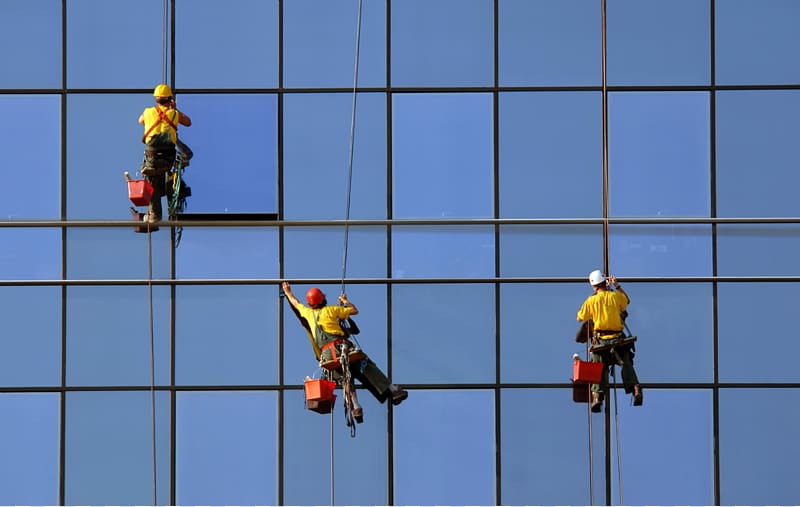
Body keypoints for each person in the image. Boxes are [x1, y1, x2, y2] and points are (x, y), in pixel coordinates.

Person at [281, 281, 408, 424]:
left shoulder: (308, 313)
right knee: (366, 365)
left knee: (346, 378)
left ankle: (356, 406)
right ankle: (393, 390)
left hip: (328, 356)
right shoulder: (331, 310)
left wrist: (288, 292)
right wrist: (345, 301)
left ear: (311, 303)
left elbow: (296, 303)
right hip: (342, 348)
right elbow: (354, 310)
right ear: (322, 299)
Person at [577, 270, 643, 412]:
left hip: (602, 341)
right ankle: (636, 388)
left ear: (594, 286)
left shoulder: (591, 300)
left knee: (597, 366)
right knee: (625, 362)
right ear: (604, 282)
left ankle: (597, 397)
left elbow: (580, 317)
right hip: (618, 339)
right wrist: (616, 285)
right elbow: (627, 301)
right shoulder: (615, 296)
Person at [137, 84, 192, 223]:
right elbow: (188, 122)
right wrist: (173, 108)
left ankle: (154, 214)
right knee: (170, 176)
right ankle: (173, 211)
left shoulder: (148, 111)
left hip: (152, 157)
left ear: (156, 99)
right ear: (170, 99)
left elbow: (140, 120)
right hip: (168, 157)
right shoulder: (174, 113)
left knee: (152, 179)